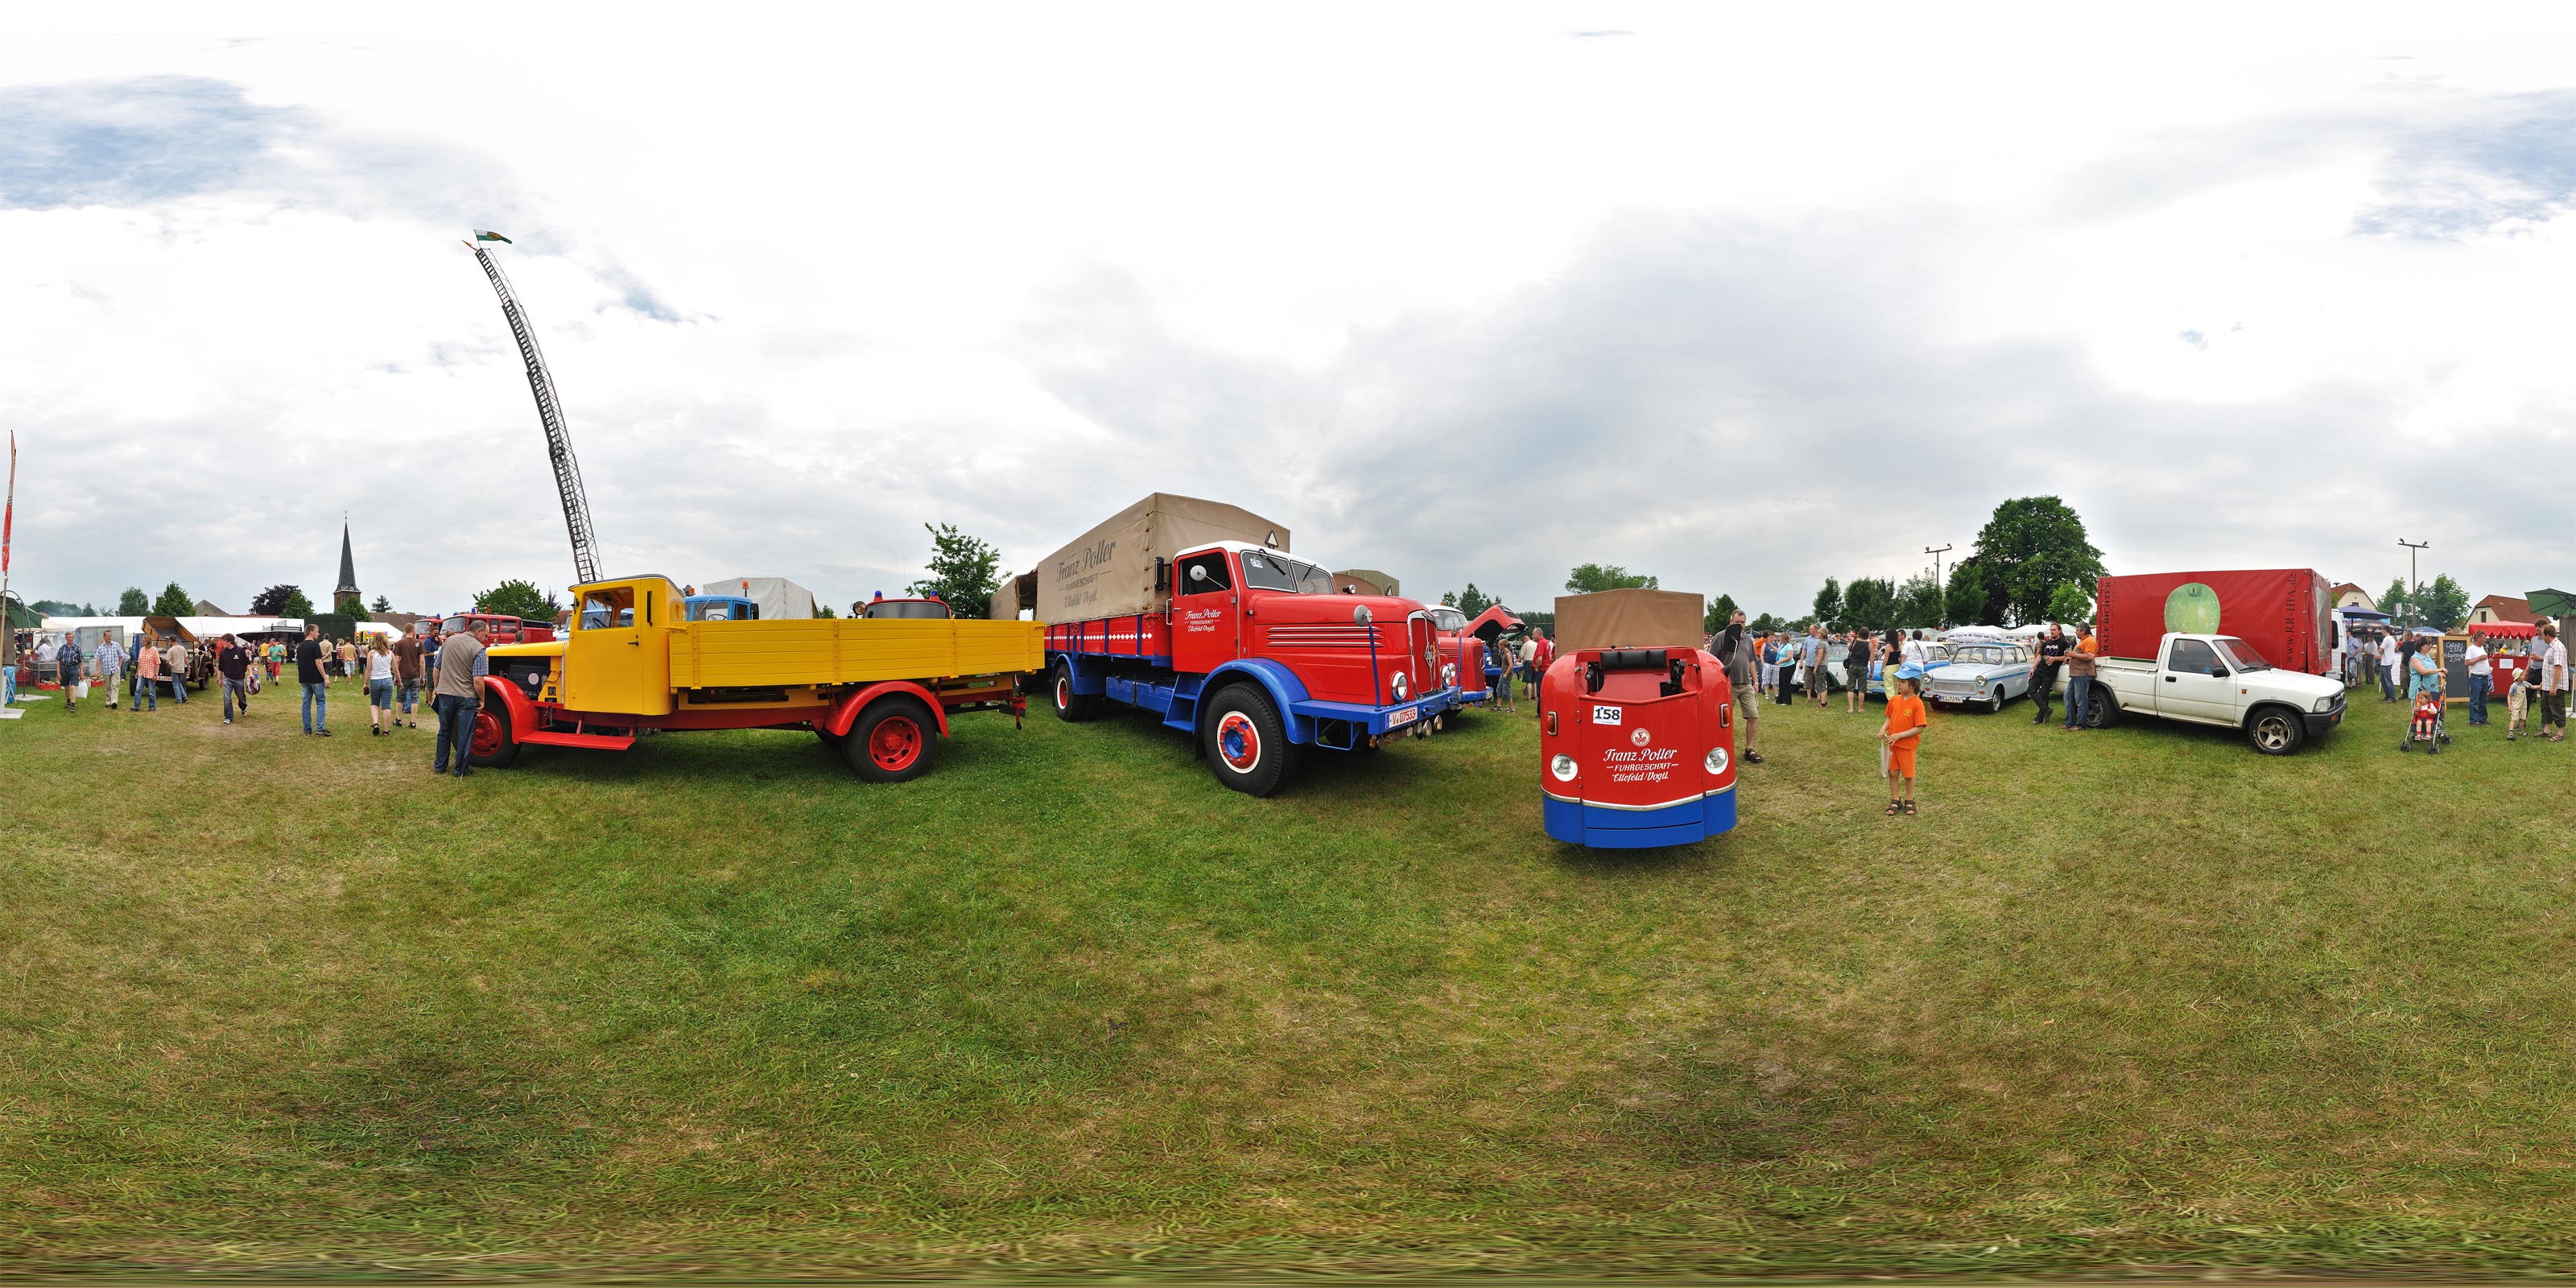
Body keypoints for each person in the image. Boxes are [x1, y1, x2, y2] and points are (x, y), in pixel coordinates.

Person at [431, 620, 489, 777]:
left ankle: (440, 766)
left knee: (444, 731)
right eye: (486, 635)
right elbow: (478, 679)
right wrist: (482, 699)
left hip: (445, 694)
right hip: (466, 697)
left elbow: (436, 668)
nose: (486, 639)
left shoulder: (449, 642)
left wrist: (437, 688)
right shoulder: (479, 649)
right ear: (478, 631)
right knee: (464, 734)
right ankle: (460, 769)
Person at [1880, 666, 1929, 815]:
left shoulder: (1917, 704)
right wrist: (1883, 729)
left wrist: (1899, 736)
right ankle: (1895, 800)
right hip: (1892, 744)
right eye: (1898, 681)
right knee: (1892, 772)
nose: (1898, 684)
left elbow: (1920, 727)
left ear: (1913, 685)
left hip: (1907, 746)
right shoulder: (1894, 700)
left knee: (1908, 774)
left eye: (1902, 681)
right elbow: (1890, 717)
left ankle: (1910, 800)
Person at [1717, 609, 1762, 763]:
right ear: (1731, 622)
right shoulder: (1720, 637)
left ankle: (1749, 749)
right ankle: (1720, 749)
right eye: (1737, 622)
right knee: (1722, 719)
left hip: (1746, 684)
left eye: (1743, 622)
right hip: (1727, 685)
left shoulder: (1748, 640)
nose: (1740, 625)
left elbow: (1751, 661)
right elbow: (1712, 659)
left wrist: (1755, 681)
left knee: (1753, 715)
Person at [295, 624, 332, 736]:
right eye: (317, 631)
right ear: (311, 632)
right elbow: (318, 663)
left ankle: (307, 729)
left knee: (306, 703)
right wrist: (325, 678)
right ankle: (320, 728)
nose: (318, 634)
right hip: (316, 679)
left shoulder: (300, 646)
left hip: (304, 678)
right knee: (321, 702)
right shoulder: (315, 646)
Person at [2030, 623, 2070, 725]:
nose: (2052, 631)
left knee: (2044, 694)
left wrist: (2055, 658)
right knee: (2031, 690)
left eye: (2054, 630)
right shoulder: (2046, 643)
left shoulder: (2064, 643)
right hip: (2040, 670)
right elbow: (2040, 656)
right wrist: (2033, 668)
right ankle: (2046, 710)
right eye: (2051, 630)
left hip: (2050, 672)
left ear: (2059, 631)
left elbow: (2067, 657)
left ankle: (2040, 716)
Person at [2062, 624, 2098, 730]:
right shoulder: (2083, 641)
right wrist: (2070, 659)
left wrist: (2072, 655)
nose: (2076, 632)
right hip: (2076, 674)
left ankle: (2080, 725)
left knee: (2081, 700)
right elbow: (2081, 655)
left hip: (2083, 674)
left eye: (2077, 630)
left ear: (2083, 631)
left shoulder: (2089, 640)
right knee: (2068, 697)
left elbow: (2089, 656)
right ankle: (2070, 723)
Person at [2540, 622, 2569, 743]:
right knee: (2545, 708)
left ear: (2547, 635)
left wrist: (2554, 687)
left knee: (2557, 708)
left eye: (2542, 635)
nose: (2541, 637)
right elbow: (2548, 667)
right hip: (2547, 685)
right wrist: (2544, 682)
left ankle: (2560, 733)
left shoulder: (2558, 648)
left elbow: (2558, 668)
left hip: (2555, 686)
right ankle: (2547, 731)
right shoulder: (2551, 647)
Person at [393, 630, 425, 729]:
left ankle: (399, 720)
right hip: (415, 675)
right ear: (413, 631)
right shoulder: (419, 643)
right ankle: (413, 722)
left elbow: (397, 661)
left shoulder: (400, 643)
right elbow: (422, 661)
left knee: (400, 697)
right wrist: (423, 676)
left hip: (403, 675)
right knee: (415, 698)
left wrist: (396, 676)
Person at [365, 638, 398, 734]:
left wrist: (365, 683)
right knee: (386, 706)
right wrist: (399, 681)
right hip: (387, 680)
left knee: (375, 703)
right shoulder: (390, 653)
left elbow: (368, 670)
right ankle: (386, 730)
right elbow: (396, 670)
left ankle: (376, 723)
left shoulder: (371, 654)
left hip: (375, 680)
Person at [2464, 632, 2492, 726]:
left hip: (2485, 678)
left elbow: (2480, 662)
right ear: (2479, 638)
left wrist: (2488, 661)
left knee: (2483, 700)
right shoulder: (2471, 648)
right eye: (2484, 638)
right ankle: (2473, 721)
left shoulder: (2482, 648)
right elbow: (2467, 663)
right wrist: (2479, 658)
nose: (2485, 640)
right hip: (2477, 678)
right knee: (2474, 701)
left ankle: (2482, 719)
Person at [93, 633, 126, 710]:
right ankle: (108, 701)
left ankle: (114, 702)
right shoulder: (101, 647)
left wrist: (119, 666)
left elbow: (121, 656)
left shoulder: (116, 645)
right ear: (104, 637)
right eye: (108, 636)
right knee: (107, 686)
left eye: (110, 636)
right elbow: (98, 659)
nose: (109, 637)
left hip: (115, 669)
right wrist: (97, 670)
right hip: (105, 670)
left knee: (115, 685)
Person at [130, 633, 161, 713]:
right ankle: (136, 706)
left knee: (151, 691)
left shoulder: (154, 651)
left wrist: (156, 674)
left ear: (148, 642)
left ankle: (152, 706)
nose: (142, 642)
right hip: (142, 673)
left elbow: (158, 664)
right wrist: (137, 672)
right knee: (138, 689)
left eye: (144, 641)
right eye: (142, 641)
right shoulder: (142, 650)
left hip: (151, 673)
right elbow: (139, 662)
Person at [1802, 625, 1830, 708]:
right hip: (1823, 665)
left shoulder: (1821, 643)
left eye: (1819, 633)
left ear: (1822, 634)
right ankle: (1824, 701)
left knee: (1821, 684)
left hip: (1821, 665)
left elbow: (1819, 656)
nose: (1818, 634)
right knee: (1822, 684)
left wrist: (1816, 667)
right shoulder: (1826, 642)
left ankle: (1823, 704)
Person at [1843, 630, 1870, 713]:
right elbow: (1872, 659)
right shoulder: (1870, 644)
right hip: (1863, 667)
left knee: (1851, 688)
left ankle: (1851, 709)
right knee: (1862, 689)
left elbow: (1849, 649)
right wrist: (1872, 671)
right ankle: (1860, 708)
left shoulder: (1854, 641)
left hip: (1853, 665)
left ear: (1859, 634)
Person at [56, 634, 82, 712]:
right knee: (66, 687)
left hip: (73, 668)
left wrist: (82, 672)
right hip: (64, 668)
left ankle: (73, 706)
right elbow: (58, 661)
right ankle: (68, 702)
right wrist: (58, 672)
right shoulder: (62, 648)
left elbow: (80, 661)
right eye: (69, 637)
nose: (71, 639)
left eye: (72, 637)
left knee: (73, 687)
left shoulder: (77, 648)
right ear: (66, 638)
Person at [164, 636, 190, 704]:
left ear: (170, 641)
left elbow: (167, 661)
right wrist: (188, 667)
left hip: (174, 669)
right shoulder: (182, 648)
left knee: (175, 684)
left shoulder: (171, 650)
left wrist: (170, 666)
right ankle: (184, 696)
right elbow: (186, 659)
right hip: (181, 669)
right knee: (179, 683)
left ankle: (179, 699)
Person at [2380, 631, 2401, 702]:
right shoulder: (2392, 639)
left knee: (2388, 681)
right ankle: (2388, 695)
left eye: (2382, 630)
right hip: (2388, 661)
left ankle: (2392, 697)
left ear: (2385, 631)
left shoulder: (2386, 639)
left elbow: (2380, 650)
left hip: (2386, 662)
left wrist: (2380, 650)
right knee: (2383, 680)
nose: (2381, 632)